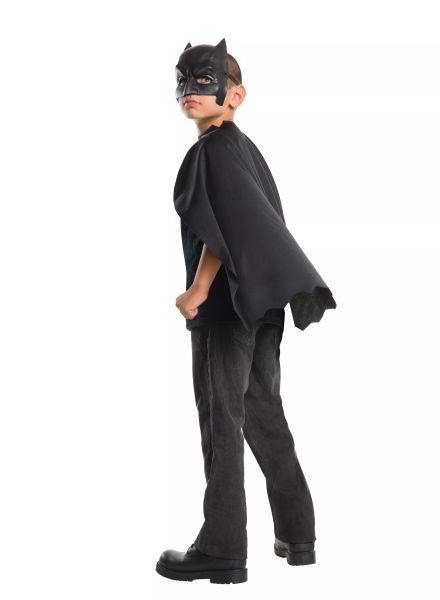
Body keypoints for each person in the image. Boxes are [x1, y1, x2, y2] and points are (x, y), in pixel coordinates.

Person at [155, 38, 337, 585]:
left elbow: (224, 227)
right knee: (263, 414)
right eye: (183, 81)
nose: (190, 91)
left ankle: (222, 549)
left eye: (204, 81)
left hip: (224, 307)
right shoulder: (245, 151)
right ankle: (298, 533)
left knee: (221, 420)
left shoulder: (212, 151)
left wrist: (197, 288)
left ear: (235, 95)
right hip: (261, 305)